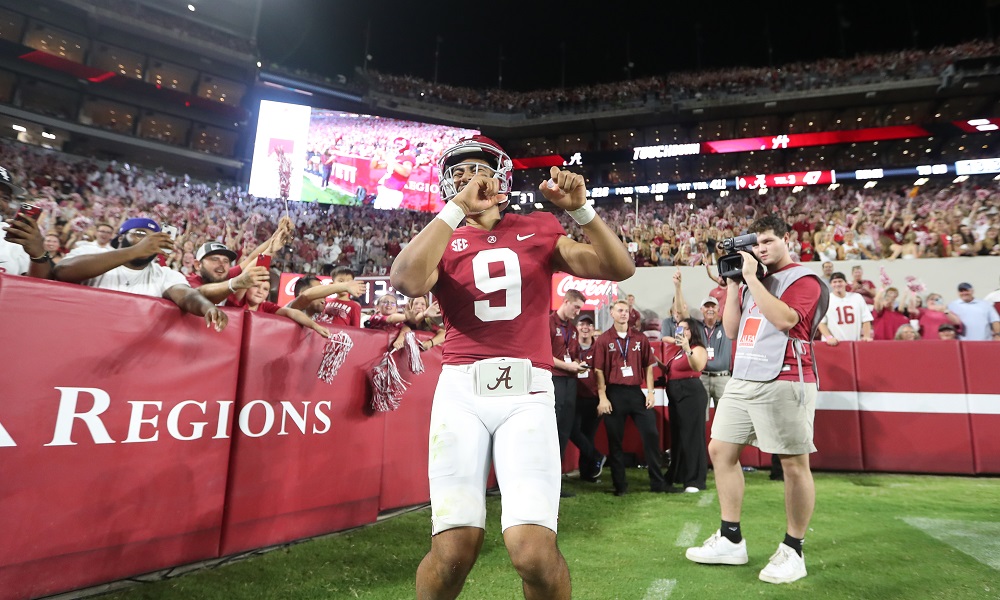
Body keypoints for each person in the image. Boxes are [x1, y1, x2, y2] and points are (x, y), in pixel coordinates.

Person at [389, 134, 634, 599]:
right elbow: (405, 280)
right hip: (462, 391)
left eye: (474, 168)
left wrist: (581, 211)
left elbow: (618, 267)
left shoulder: (538, 227)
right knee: (452, 553)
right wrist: (454, 211)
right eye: (456, 172)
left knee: (533, 554)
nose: (465, 177)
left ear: (499, 175)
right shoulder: (442, 232)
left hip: (528, 392)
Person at [686, 215, 829, 585]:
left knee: (793, 463)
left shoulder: (804, 279)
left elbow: (785, 320)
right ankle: (731, 538)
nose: (761, 249)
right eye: (757, 244)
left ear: (786, 238)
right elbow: (731, 330)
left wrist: (751, 277)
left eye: (768, 241)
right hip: (744, 377)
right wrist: (735, 285)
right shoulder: (752, 282)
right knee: (720, 450)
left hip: (784, 378)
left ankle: (793, 549)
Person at [52, 217, 228, 331]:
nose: (147, 240)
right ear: (120, 238)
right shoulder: (92, 251)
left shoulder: (164, 274)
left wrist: (207, 307)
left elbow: (187, 296)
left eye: (153, 237)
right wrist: (135, 250)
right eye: (140, 234)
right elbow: (62, 272)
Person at [593, 300, 667, 496]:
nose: (624, 314)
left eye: (626, 311)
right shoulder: (603, 340)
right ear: (612, 313)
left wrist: (650, 392)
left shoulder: (640, 338)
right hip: (613, 394)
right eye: (620, 310)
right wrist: (602, 397)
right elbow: (598, 370)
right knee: (615, 441)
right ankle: (620, 486)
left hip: (636, 392)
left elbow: (648, 366)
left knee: (651, 435)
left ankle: (658, 483)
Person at [550, 289, 596, 497]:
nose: (578, 312)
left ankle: (556, 483)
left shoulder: (572, 329)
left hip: (570, 381)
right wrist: (570, 367)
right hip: (554, 380)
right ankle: (547, 481)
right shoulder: (548, 323)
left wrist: (579, 364)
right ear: (566, 301)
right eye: (576, 307)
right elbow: (545, 356)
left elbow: (573, 356)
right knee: (552, 431)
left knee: (564, 431)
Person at [673, 270, 732, 416]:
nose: (710, 309)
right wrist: (678, 287)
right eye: (707, 306)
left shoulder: (727, 325)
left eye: (713, 306)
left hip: (723, 378)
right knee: (699, 417)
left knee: (726, 420)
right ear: (701, 310)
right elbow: (681, 312)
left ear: (719, 309)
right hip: (702, 377)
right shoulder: (697, 327)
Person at [661, 316, 709, 493]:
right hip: (676, 395)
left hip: (691, 394)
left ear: (693, 331)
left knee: (693, 437)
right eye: (679, 329)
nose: (681, 332)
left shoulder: (698, 349)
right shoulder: (677, 351)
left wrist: (688, 348)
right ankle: (679, 474)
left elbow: (697, 366)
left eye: (685, 329)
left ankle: (695, 480)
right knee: (679, 438)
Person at [236, 279, 331, 338]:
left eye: (265, 289)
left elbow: (292, 312)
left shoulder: (267, 307)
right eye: (256, 286)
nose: (260, 291)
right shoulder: (238, 301)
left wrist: (315, 326)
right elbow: (243, 281)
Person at [573, 314, 606, 482]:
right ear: (577, 327)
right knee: (573, 431)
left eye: (589, 325)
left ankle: (587, 474)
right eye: (582, 324)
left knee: (589, 434)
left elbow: (603, 374)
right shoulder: (571, 346)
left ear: (593, 329)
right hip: (575, 397)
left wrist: (603, 398)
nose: (585, 327)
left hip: (593, 398)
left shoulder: (599, 348)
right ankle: (596, 456)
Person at [288, 269, 368, 327]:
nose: (324, 295)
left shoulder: (320, 315)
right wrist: (345, 286)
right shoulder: (292, 309)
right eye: (319, 292)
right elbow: (305, 296)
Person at [818, 272, 874, 344]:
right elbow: (821, 323)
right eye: (834, 282)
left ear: (846, 283)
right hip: (834, 343)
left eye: (840, 281)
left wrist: (866, 336)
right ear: (831, 284)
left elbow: (866, 318)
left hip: (854, 342)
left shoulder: (857, 297)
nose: (837, 284)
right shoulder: (825, 300)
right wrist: (829, 337)